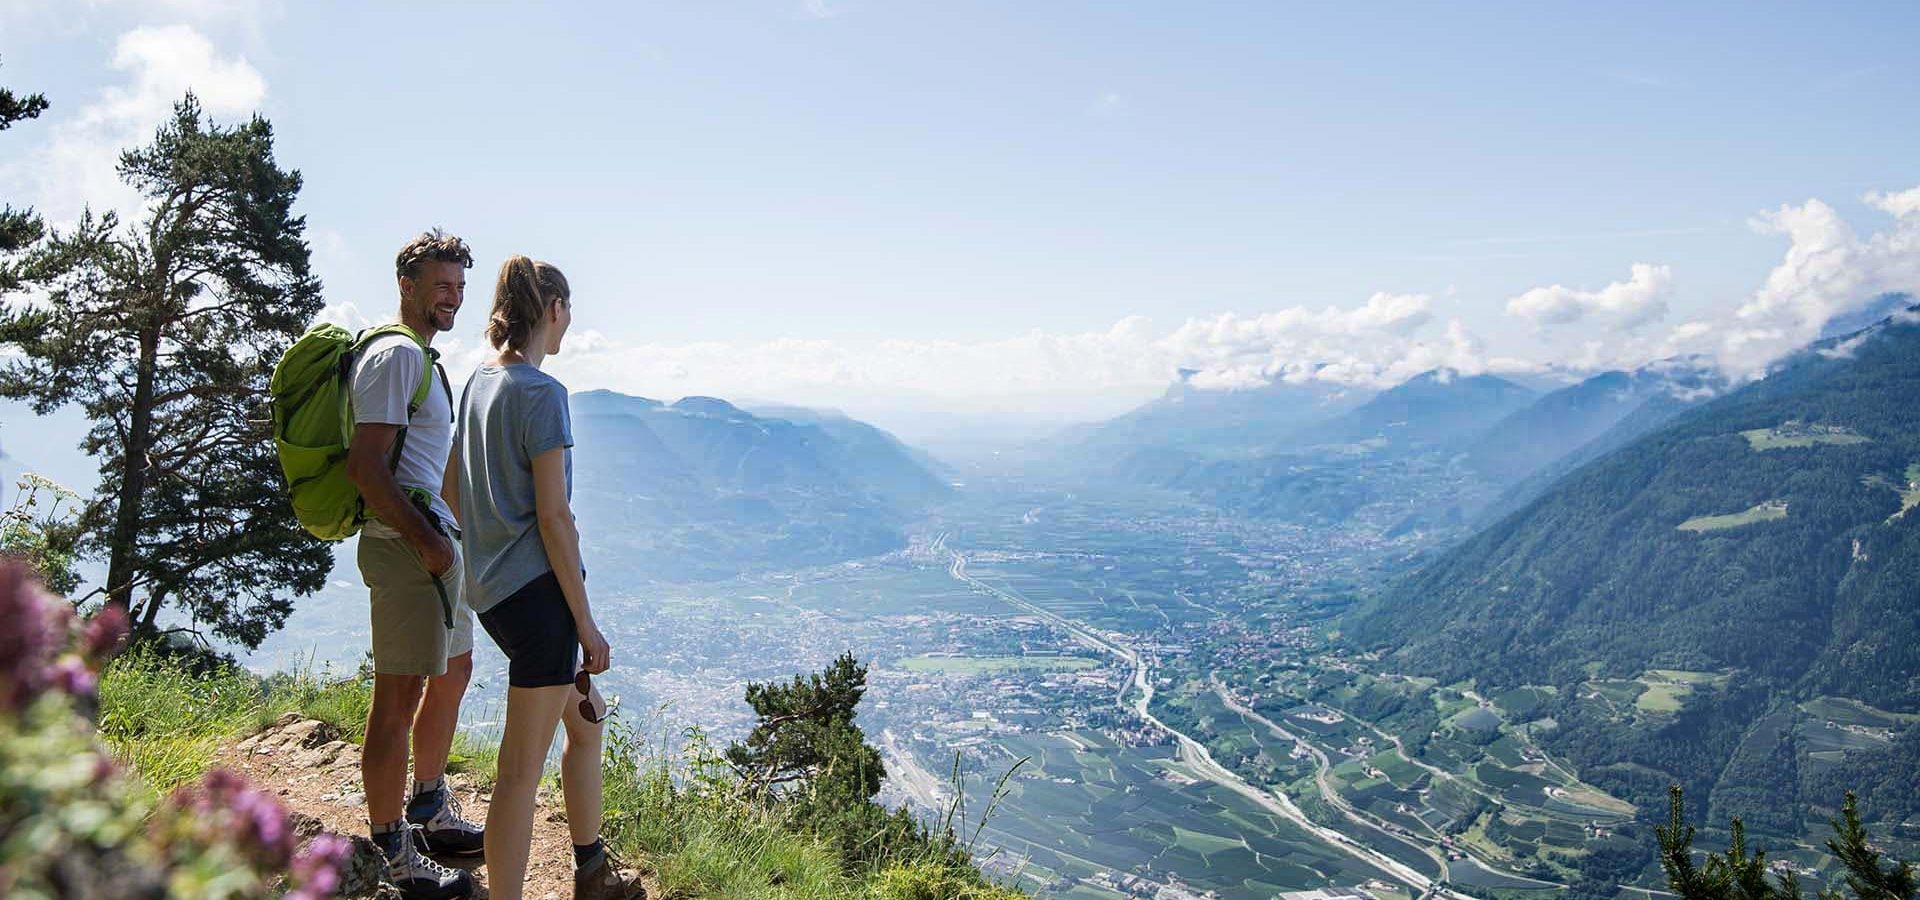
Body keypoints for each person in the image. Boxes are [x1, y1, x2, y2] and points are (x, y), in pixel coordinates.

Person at [444, 256, 644, 900]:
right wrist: (585, 626)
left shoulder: (476, 382)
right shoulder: (541, 392)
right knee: (518, 773)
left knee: (585, 726)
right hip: (540, 605)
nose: (568, 325)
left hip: (496, 593)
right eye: (568, 312)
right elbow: (555, 518)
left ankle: (592, 871)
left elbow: (451, 489)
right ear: (552, 309)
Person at [346, 229, 484, 900]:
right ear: (407, 284)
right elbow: (366, 466)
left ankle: (427, 806)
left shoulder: (424, 359)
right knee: (395, 701)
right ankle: (391, 848)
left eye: (459, 286)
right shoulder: (398, 356)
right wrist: (427, 544)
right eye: (441, 285)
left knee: (455, 669)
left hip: (432, 544)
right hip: (405, 548)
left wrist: (450, 540)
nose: (452, 297)